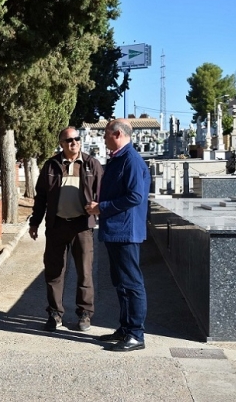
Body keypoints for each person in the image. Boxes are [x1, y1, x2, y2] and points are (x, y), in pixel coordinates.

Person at [85, 118, 151, 352]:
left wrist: (102, 207)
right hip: (116, 230)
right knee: (121, 283)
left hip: (126, 230)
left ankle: (136, 334)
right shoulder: (119, 159)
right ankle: (125, 328)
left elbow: (135, 196)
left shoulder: (131, 160)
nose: (103, 138)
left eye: (105, 134)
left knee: (132, 283)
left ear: (117, 135)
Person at [29, 127, 103, 332]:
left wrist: (98, 211)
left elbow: (102, 194)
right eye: (69, 140)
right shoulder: (51, 166)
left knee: (85, 273)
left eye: (77, 139)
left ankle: (85, 314)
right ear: (61, 143)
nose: (74, 143)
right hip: (57, 225)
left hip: (82, 227)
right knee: (54, 272)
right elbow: (41, 197)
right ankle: (55, 314)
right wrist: (34, 222)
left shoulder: (91, 164)